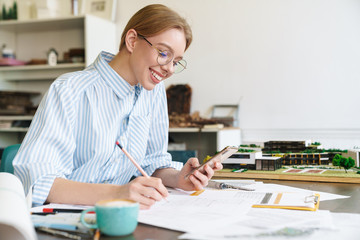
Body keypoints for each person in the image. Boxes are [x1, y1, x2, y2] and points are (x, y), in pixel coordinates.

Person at [13, 4, 222, 209]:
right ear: (132, 41)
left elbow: (151, 162)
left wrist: (178, 178)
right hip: (65, 219)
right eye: (163, 53)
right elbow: (39, 183)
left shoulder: (154, 91)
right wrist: (118, 193)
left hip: (121, 215)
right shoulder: (69, 89)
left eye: (176, 61)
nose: (169, 69)